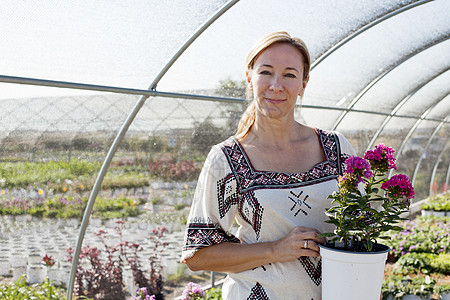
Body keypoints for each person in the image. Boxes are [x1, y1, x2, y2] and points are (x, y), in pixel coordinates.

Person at [181, 31, 356, 300]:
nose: (276, 85)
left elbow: (364, 225)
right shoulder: (226, 159)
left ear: (304, 83)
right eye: (266, 72)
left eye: (289, 74)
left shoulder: (336, 147)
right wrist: (276, 249)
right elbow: (198, 255)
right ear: (250, 78)